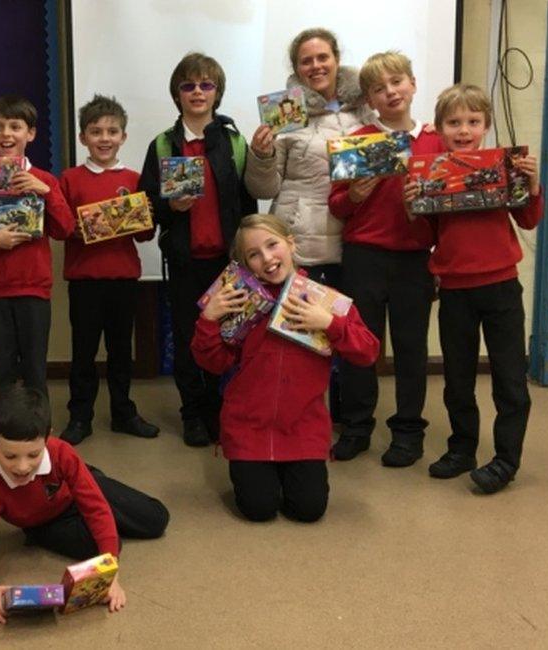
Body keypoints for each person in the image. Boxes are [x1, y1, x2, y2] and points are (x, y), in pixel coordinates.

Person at [191, 214, 379, 522]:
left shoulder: (324, 301)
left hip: (303, 429)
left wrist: (330, 324)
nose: (267, 258)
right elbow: (213, 362)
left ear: (290, 244)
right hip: (248, 428)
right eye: (253, 254)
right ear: (245, 263)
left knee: (308, 510)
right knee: (258, 509)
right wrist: (208, 320)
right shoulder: (241, 299)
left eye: (272, 245)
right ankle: (259, 473)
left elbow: (368, 352)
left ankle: (283, 471)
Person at [405, 84, 542, 494]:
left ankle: (505, 460)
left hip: (501, 285)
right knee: (457, 377)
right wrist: (414, 203)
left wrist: (532, 186)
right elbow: (423, 235)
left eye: (473, 122)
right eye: (454, 123)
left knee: (509, 379)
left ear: (485, 125)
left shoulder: (506, 165)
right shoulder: (431, 170)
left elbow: (529, 220)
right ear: (441, 128)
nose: (463, 130)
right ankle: (462, 448)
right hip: (454, 290)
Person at [246, 28, 374, 423]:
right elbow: (262, 187)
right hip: (302, 241)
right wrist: (262, 155)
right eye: (306, 61)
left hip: (357, 241)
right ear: (297, 68)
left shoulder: (365, 108)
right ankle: (298, 418)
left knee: (348, 334)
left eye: (323, 58)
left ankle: (354, 424)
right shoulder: (286, 114)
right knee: (298, 337)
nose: (316, 66)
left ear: (337, 59)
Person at [0, 385, 170, 625]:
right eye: (10, 456)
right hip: (43, 523)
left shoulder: (61, 452)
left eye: (33, 455)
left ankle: (96, 485)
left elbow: (96, 508)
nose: (22, 467)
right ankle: (97, 524)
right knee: (110, 543)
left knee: (157, 519)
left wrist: (109, 573)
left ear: (48, 436)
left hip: (79, 491)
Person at [326, 51, 443, 465]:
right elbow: (337, 205)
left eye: (397, 82)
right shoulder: (358, 139)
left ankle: (408, 432)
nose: (390, 92)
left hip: (414, 260)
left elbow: (451, 208)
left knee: (411, 349)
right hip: (364, 258)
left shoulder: (435, 140)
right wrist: (354, 194)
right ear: (370, 100)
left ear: (412, 84)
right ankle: (357, 427)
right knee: (361, 348)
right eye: (379, 88)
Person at [137, 52, 257, 447]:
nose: (197, 92)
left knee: (230, 337)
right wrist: (170, 207)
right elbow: (146, 205)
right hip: (186, 262)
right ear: (177, 94)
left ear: (217, 91)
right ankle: (193, 414)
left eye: (206, 84)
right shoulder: (162, 143)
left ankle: (221, 410)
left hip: (228, 262)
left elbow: (248, 201)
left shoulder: (235, 140)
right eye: (188, 85)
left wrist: (250, 258)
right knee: (191, 341)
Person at [0, 95, 76, 399]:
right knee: (2, 369)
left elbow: (65, 229)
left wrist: (47, 193)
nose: (6, 134)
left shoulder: (45, 179)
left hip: (34, 290)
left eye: (15, 126)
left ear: (31, 134)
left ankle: (37, 437)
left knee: (36, 369)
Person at [58, 94, 160, 445]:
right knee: (84, 352)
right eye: (96, 131)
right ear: (83, 137)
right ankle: (79, 417)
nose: (104, 138)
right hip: (85, 281)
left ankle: (123, 413)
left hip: (123, 279)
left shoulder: (135, 178)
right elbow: (59, 227)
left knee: (120, 352)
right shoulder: (69, 179)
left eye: (112, 131)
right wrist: (87, 224)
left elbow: (146, 232)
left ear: (123, 137)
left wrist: (132, 218)